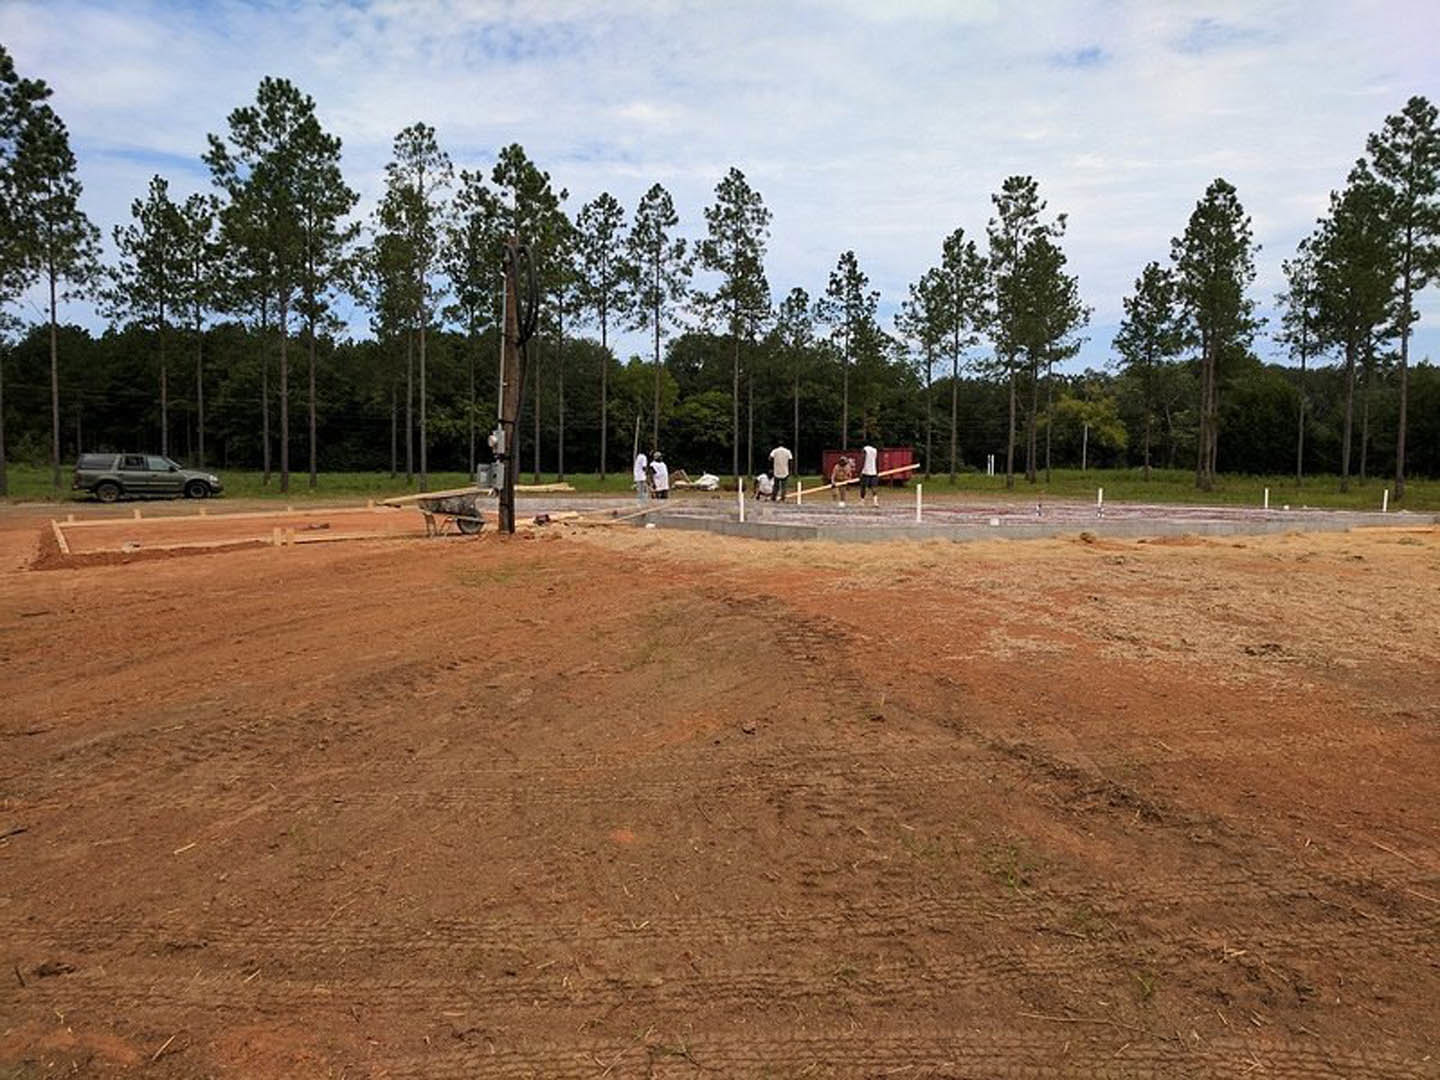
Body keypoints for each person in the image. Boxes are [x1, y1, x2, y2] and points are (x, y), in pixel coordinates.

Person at [859, 442, 879, 506]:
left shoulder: (865, 449)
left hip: (866, 471)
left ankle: (862, 501)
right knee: (874, 487)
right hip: (873, 471)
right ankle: (875, 502)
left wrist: (861, 469)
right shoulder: (875, 450)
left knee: (863, 487)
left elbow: (863, 459)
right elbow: (876, 460)